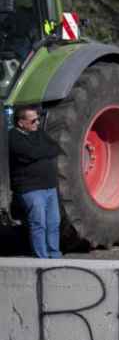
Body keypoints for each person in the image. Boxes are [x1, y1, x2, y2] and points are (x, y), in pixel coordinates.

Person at [8, 105, 62, 259]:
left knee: (54, 223)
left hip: (50, 187)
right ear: (21, 123)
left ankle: (55, 255)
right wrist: (42, 152)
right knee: (39, 224)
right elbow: (30, 153)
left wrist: (39, 153)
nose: (37, 123)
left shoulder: (39, 133)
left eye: (38, 119)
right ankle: (42, 259)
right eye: (33, 121)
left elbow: (55, 148)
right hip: (31, 189)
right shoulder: (13, 138)